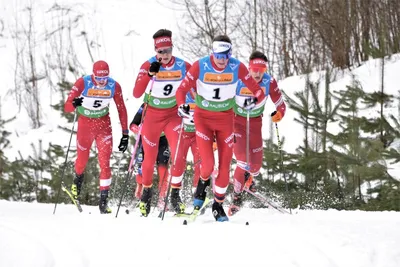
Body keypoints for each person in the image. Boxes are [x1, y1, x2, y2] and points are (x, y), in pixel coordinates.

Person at [175, 35, 266, 222]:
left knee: (224, 167)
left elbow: (257, 90)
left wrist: (254, 100)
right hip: (203, 120)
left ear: (230, 54)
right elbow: (181, 90)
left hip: (226, 120)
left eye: (226, 56)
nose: (222, 60)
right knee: (207, 165)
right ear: (212, 53)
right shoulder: (200, 65)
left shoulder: (237, 67)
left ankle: (218, 205)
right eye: (218, 56)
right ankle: (201, 187)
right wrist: (181, 105)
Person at [132, 29, 192, 217]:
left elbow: (197, 85)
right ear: (155, 51)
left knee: (179, 153)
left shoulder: (183, 66)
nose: (164, 55)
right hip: (152, 116)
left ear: (172, 49)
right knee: (149, 158)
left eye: (167, 51)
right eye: (160, 52)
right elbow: (136, 92)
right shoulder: (148, 65)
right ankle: (146, 194)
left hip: (173, 115)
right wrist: (149, 74)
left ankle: (175, 195)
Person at [64, 60, 129, 214]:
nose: (102, 82)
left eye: (105, 78)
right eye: (99, 79)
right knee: (82, 160)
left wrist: (125, 133)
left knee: (105, 162)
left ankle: (103, 202)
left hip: (103, 125)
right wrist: (75, 103)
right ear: (93, 75)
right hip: (85, 125)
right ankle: (77, 183)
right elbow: (67, 107)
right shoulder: (83, 82)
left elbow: (121, 108)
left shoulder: (113, 85)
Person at [228, 51, 286, 216]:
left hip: (255, 123)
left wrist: (279, 114)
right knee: (243, 161)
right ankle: (236, 198)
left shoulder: (269, 81)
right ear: (249, 67)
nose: (258, 73)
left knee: (255, 167)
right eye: (255, 69)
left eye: (262, 69)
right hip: (236, 122)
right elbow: (224, 101)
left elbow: (280, 104)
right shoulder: (238, 79)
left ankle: (248, 180)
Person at [129, 103, 170, 210]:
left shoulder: (169, 104)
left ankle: (162, 198)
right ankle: (140, 193)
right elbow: (133, 125)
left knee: (163, 168)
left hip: (162, 140)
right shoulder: (145, 106)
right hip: (146, 139)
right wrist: (139, 129)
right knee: (144, 166)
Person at [181, 89, 201, 191]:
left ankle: (197, 190)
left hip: (197, 136)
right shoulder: (183, 95)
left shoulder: (204, 96)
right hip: (184, 134)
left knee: (199, 164)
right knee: (179, 162)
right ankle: (176, 189)